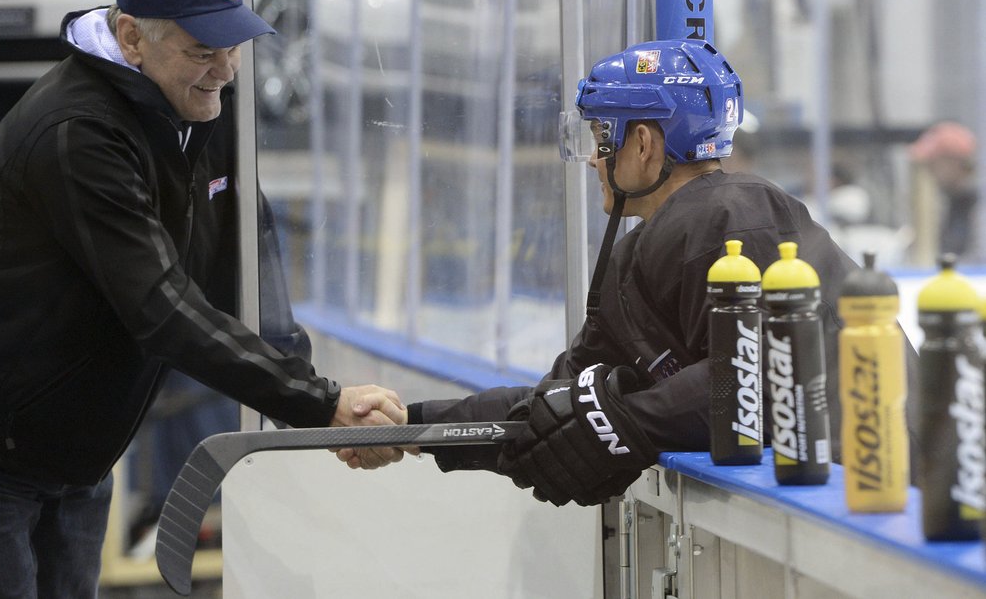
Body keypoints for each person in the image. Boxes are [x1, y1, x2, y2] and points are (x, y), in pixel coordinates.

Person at [0, 0, 404, 598]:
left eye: (234, 43)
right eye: (201, 50)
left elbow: (245, 253)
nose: (226, 68)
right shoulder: (77, 133)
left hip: (78, 458)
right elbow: (160, 306)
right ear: (131, 38)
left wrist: (311, 404)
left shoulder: (205, 103)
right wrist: (321, 405)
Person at [337, 39, 919, 508]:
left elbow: (756, 376)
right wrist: (414, 426)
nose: (593, 159)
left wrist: (623, 421)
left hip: (884, 504)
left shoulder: (737, 216)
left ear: (643, 144)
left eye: (599, 138)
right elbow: (555, 404)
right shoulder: (649, 245)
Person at [908, 120, 978, 259]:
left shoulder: (977, 209)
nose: (928, 171)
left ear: (952, 162)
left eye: (931, 163)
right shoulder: (946, 201)